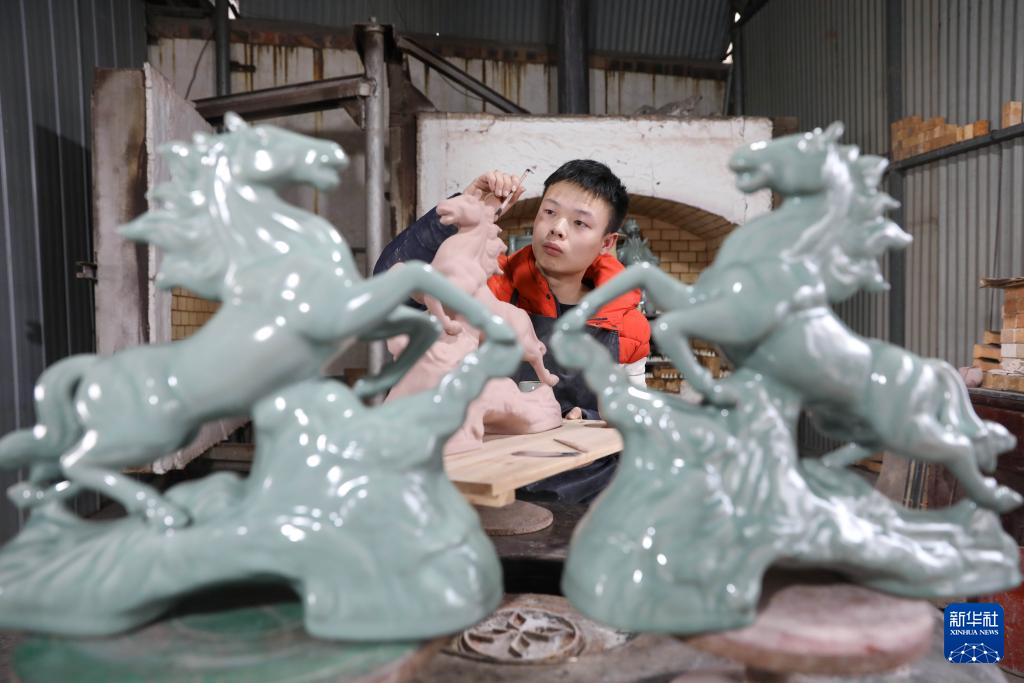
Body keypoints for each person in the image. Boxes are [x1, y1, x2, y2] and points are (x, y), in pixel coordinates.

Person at [374, 160, 650, 503]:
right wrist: (461, 216)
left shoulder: (625, 322)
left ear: (607, 242)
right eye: (549, 212)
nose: (557, 229)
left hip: (590, 494)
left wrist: (591, 417)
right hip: (489, 485)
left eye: (579, 222)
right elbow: (389, 292)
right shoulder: (490, 286)